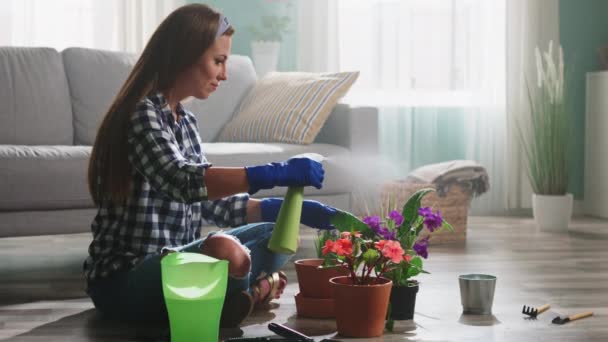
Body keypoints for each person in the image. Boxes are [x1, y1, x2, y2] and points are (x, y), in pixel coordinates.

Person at [83, 3, 338, 328]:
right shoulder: (141, 114)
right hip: (124, 279)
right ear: (185, 54)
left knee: (279, 236)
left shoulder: (186, 121)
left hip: (180, 268)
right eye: (218, 61)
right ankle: (248, 291)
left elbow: (208, 203)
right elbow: (183, 181)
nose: (224, 74)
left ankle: (233, 296)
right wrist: (273, 173)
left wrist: (278, 209)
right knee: (227, 251)